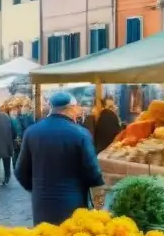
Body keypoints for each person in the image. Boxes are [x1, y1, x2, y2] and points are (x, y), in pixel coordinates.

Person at [16, 92, 105, 225]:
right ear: (70, 108)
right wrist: (99, 201)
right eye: (77, 107)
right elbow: (93, 171)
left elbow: (20, 171)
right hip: (73, 204)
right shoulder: (80, 134)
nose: (78, 111)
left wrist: (36, 188)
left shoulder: (32, 132)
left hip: (41, 204)